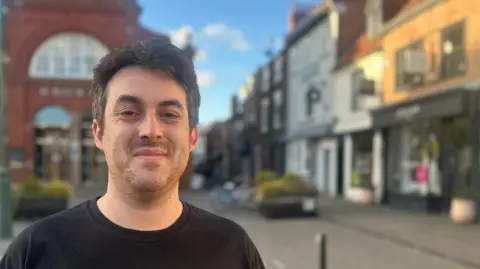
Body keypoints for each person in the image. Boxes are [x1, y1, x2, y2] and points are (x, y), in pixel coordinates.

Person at [0, 39, 265, 269]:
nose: (151, 131)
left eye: (169, 115)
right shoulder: (35, 250)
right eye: (128, 112)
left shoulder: (232, 248)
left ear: (192, 137)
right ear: (99, 133)